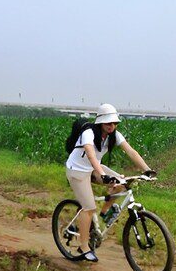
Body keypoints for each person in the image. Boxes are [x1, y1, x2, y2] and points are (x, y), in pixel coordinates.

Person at [65, 103, 156, 262]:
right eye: (108, 123)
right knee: (88, 208)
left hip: (95, 168)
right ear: (100, 122)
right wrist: (102, 175)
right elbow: (91, 154)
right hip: (77, 170)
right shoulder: (89, 133)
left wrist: (147, 170)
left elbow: (131, 152)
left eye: (114, 123)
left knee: (122, 184)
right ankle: (84, 247)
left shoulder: (115, 135)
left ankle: (101, 217)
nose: (111, 126)